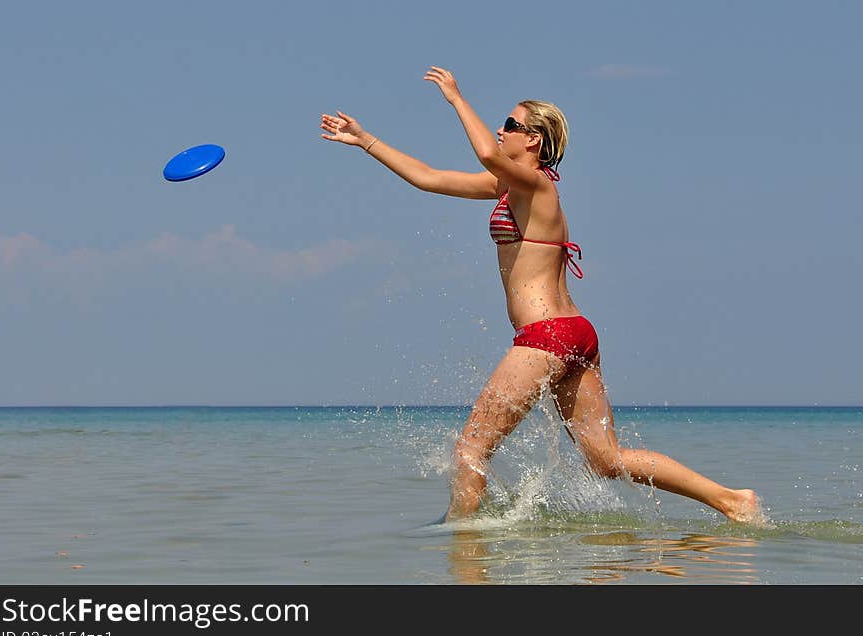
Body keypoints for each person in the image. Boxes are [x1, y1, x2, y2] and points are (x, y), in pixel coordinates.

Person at [321, 67, 763, 524]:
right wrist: (365, 139)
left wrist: (455, 98)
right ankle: (732, 500)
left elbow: (489, 155)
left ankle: (462, 553)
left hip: (545, 337)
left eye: (510, 124)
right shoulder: (509, 188)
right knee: (606, 461)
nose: (501, 129)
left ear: (532, 139)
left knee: (471, 450)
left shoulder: (537, 186)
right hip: (574, 334)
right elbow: (428, 177)